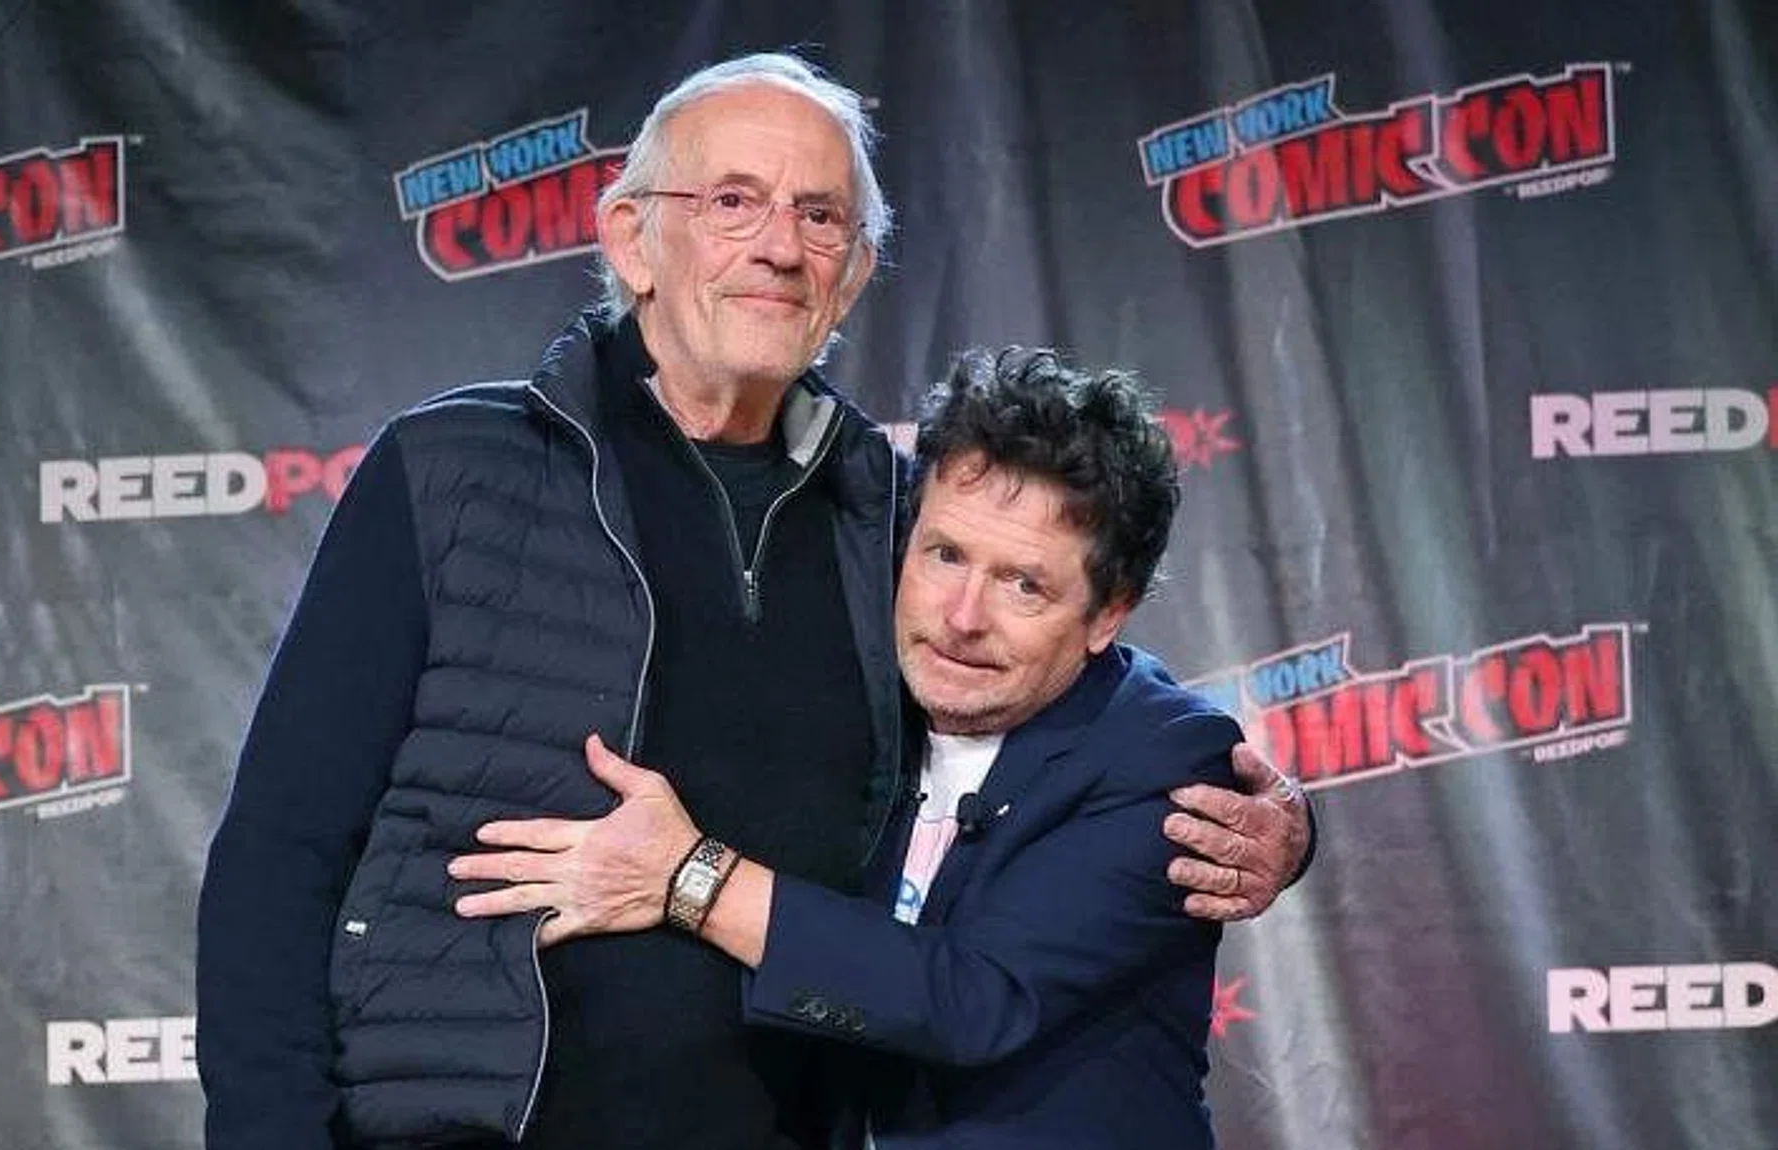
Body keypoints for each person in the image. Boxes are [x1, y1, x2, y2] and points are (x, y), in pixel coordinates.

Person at [196, 52, 1311, 1150]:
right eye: (732, 201)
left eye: (819, 217)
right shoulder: (451, 471)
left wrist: (1276, 821)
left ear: (854, 273)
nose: (779, 246)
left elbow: (1054, 647)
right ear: (631, 239)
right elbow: (281, 852)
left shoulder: (884, 508)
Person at [453, 346, 1243, 1149]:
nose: (962, 618)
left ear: (1109, 614)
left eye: (1023, 585)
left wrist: (690, 878)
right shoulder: (870, 696)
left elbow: (972, 998)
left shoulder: (1170, 764)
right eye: (945, 555)